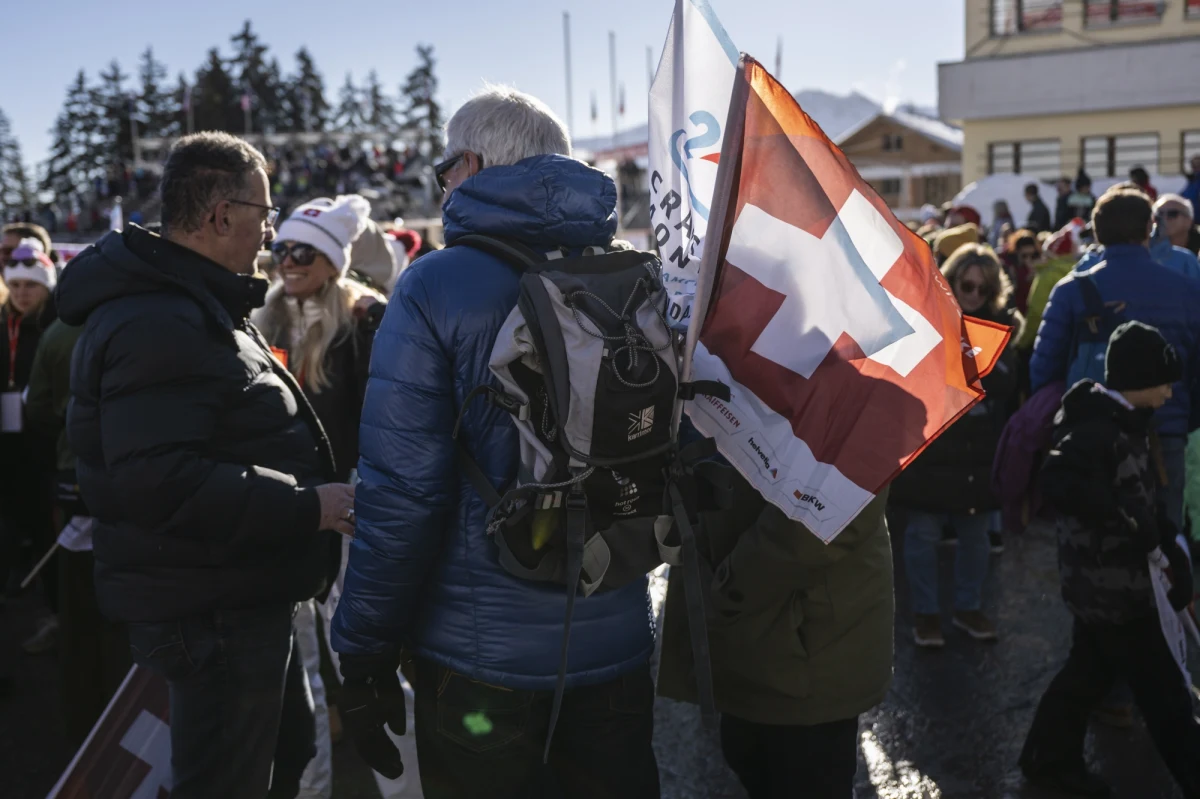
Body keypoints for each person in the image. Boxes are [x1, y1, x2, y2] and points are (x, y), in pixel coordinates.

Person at [330, 86, 659, 798]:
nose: (443, 183)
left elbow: (403, 495)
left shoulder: (434, 287)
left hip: (481, 663)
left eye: (445, 167)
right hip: (616, 638)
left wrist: (361, 650)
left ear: (472, 165)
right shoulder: (629, 276)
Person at [57, 131, 357, 799]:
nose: (269, 234)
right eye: (265, 215)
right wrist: (310, 504)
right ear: (222, 214)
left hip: (234, 591)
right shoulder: (158, 317)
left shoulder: (189, 300)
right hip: (212, 606)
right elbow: (161, 481)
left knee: (286, 752)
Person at [1020, 321, 1200, 798]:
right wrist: (1122, 517)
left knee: (1088, 674)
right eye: (1162, 382)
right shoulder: (1098, 428)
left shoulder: (1128, 423)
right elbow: (1060, 480)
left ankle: (1046, 757)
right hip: (1112, 588)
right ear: (1137, 380)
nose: (1168, 392)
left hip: (1115, 584)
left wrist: (1166, 544)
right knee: (1165, 698)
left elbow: (1142, 501)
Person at [252, 195, 388, 799]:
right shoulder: (263, 319)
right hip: (286, 512)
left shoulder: (365, 320)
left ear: (334, 259)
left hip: (351, 515)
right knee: (297, 670)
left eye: (302, 250)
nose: (287, 260)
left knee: (365, 665)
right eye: (280, 247)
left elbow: (385, 423)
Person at [657, 473, 895, 799]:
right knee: (750, 755)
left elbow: (830, 512)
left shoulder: (856, 425)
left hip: (805, 639)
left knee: (799, 772)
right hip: (747, 626)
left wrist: (730, 584)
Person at [1030, 188, 1200, 535]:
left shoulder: (1071, 290)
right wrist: (1183, 418)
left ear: (1096, 230)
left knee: (1095, 538)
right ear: (1150, 228)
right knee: (1163, 537)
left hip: (1089, 430)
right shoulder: (1186, 288)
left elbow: (1043, 368)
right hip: (1165, 427)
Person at [891, 244, 1021, 647]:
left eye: (983, 289)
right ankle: (925, 615)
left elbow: (1007, 384)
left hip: (977, 452)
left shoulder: (1000, 327)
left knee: (976, 537)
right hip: (932, 445)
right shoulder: (926, 321)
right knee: (923, 534)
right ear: (953, 281)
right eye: (967, 285)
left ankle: (968, 608)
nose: (974, 295)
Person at [0, 241, 58, 642]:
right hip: (5, 449)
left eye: (31, 285)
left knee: (44, 530)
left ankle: (55, 612)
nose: (22, 292)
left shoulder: (54, 327)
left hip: (42, 448)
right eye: (16, 284)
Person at [1005, 228, 1042, 313]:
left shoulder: (1038, 263)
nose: (1028, 259)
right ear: (1017, 252)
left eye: (1032, 255)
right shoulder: (1011, 267)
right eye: (1024, 256)